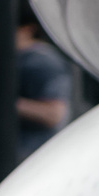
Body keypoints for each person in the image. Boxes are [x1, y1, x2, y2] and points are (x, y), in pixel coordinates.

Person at [14, 10, 70, 160]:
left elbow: (54, 114)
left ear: (28, 30)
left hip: (33, 154)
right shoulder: (26, 59)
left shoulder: (40, 62)